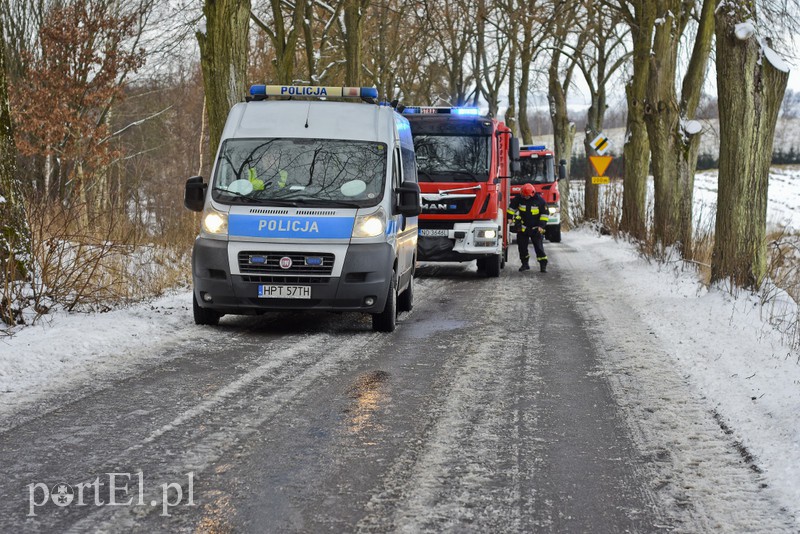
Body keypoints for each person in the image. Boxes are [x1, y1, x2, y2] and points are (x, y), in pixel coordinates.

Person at [508, 183, 549, 272]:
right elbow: (511, 209)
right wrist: (509, 218)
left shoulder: (540, 201)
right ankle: (525, 264)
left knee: (539, 248)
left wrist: (541, 226)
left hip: (535, 228)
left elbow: (544, 214)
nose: (526, 197)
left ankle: (543, 265)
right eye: (524, 196)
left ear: (532, 193)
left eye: (527, 196)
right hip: (523, 228)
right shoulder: (518, 199)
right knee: (522, 248)